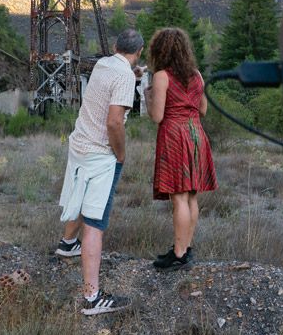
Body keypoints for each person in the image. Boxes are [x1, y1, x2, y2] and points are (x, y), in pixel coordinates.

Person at [54, 28, 144, 315]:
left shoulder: (104, 64)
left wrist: (134, 74)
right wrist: (120, 154)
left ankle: (68, 244)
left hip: (79, 143)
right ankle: (92, 298)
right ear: (138, 52)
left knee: (81, 196)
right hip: (100, 154)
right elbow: (115, 123)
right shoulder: (124, 76)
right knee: (95, 221)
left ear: (116, 45)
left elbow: (114, 83)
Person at [146, 27, 217, 271]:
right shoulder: (197, 75)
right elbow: (204, 109)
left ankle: (178, 254)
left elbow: (157, 116)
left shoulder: (162, 76)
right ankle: (185, 249)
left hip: (175, 135)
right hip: (196, 133)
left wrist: (148, 97)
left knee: (178, 198)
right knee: (191, 196)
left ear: (160, 51)